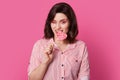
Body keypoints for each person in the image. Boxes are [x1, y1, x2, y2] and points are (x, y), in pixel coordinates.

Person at [28, 2, 90, 80]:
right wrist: (45, 63)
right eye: (54, 22)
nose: (57, 27)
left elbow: (84, 77)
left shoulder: (81, 47)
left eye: (63, 22)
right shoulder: (40, 45)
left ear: (70, 23)